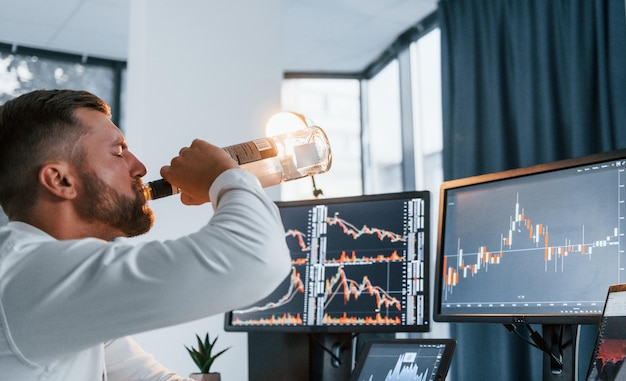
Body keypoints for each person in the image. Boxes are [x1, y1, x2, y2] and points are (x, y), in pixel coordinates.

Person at [0, 89, 292, 380]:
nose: (140, 168)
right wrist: (221, 175)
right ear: (60, 180)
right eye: (118, 152)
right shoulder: (35, 277)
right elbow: (255, 258)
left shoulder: (50, 284)